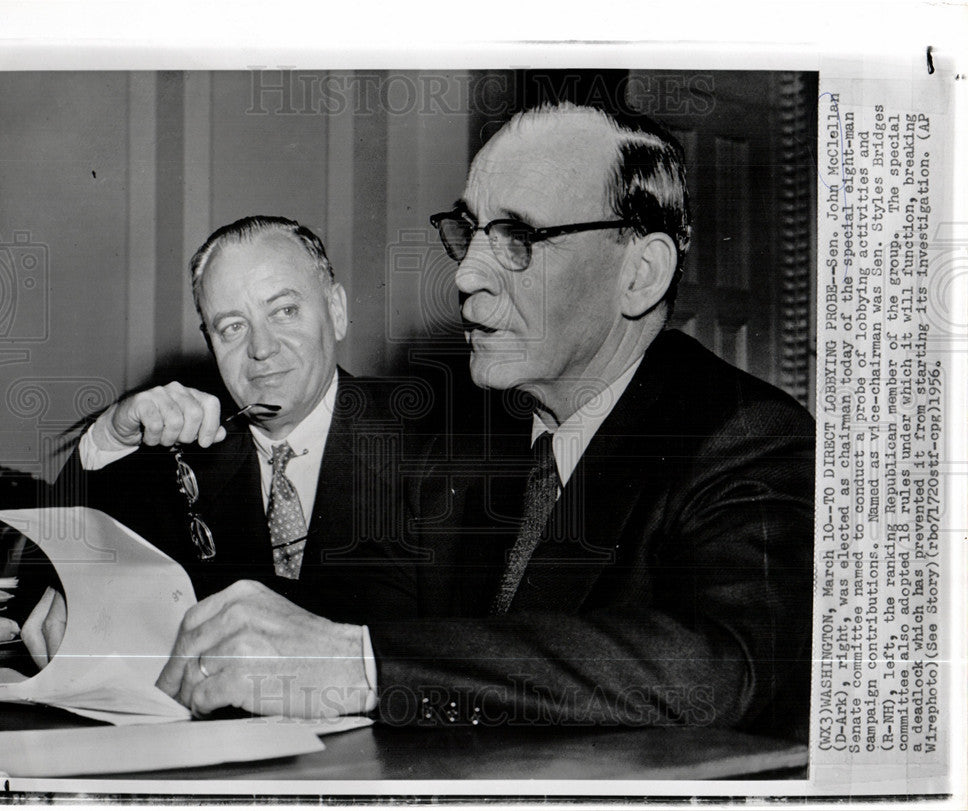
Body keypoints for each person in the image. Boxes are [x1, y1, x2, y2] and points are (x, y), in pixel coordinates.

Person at [156, 103, 815, 736]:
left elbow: (731, 668)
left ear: (639, 274)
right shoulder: (463, 442)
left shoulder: (748, 436)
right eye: (468, 232)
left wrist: (364, 664)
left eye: (518, 237)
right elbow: (333, 613)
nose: (467, 274)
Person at [23, 216, 420, 671]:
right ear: (210, 343)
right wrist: (108, 438)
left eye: (284, 311)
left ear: (335, 310)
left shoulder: (431, 442)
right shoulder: (183, 454)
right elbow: (35, 593)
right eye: (232, 326)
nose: (261, 348)